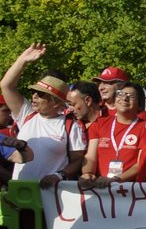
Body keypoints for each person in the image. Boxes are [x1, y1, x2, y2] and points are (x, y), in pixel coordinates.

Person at [1, 45, 85, 186]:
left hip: (51, 194)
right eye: (34, 92)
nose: (34, 97)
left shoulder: (71, 125)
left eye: (40, 94)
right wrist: (23, 61)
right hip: (21, 191)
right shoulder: (27, 115)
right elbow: (6, 86)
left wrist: (59, 176)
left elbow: (78, 160)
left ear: (56, 102)